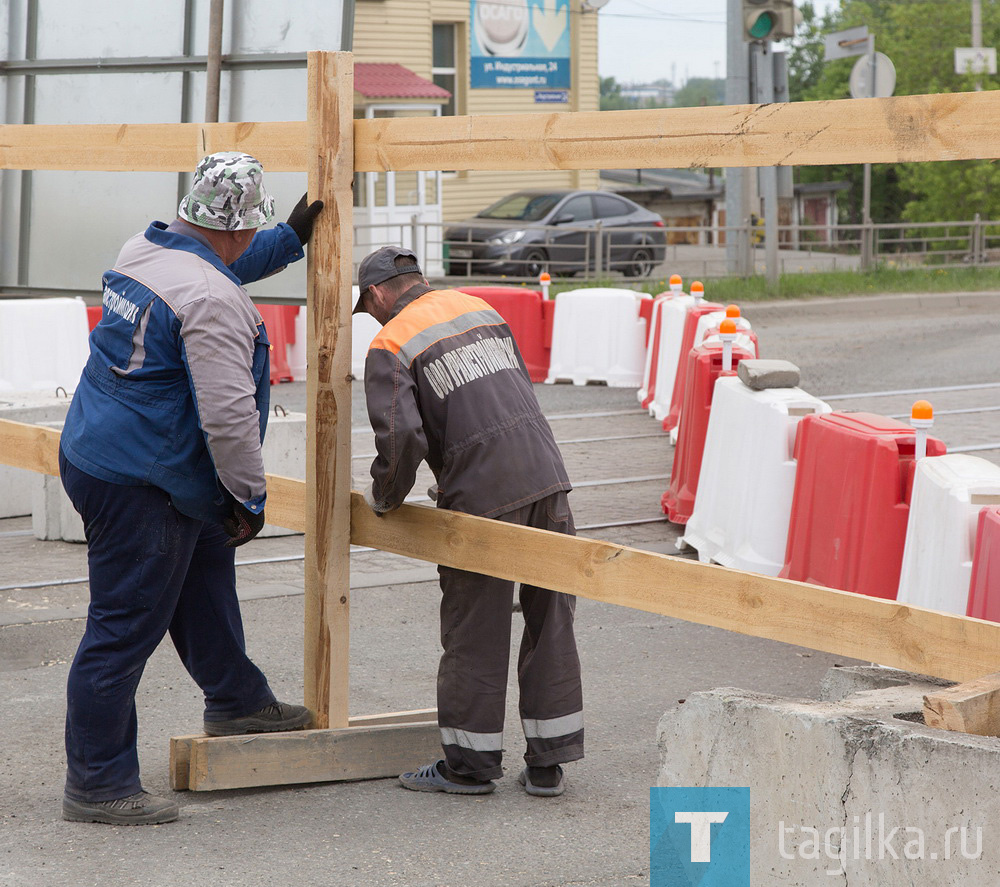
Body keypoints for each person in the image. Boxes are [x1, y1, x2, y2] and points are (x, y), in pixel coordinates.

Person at [58, 152, 324, 825]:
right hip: (143, 480)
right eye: (253, 232)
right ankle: (97, 781)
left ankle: (236, 698)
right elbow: (229, 415)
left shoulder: (145, 248)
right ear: (236, 229)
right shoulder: (211, 299)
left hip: (102, 451)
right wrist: (248, 499)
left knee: (205, 564)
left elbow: (215, 258)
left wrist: (289, 240)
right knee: (123, 627)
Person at [355, 246, 584, 797]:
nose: (373, 314)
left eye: (369, 304)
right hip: (548, 479)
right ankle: (549, 764)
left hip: (482, 497)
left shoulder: (390, 341)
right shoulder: (479, 308)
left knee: (474, 629)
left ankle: (469, 765)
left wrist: (385, 498)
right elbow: (502, 398)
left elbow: (401, 437)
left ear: (382, 292)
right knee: (550, 619)